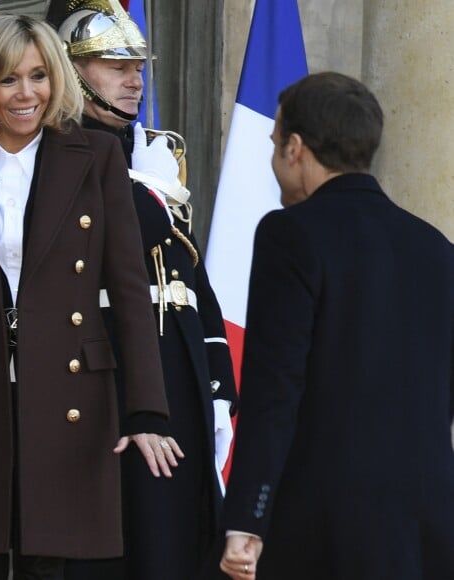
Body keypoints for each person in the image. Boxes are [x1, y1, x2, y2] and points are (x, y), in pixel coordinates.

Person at [0, 14, 180, 580]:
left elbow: (127, 290)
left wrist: (147, 410)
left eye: (40, 76)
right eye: (8, 79)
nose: (28, 94)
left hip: (71, 385)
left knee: (53, 558)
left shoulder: (96, 155)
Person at [220, 71, 454, 580]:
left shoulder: (290, 234)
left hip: (324, 529)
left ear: (295, 148)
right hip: (430, 526)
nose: (272, 159)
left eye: (275, 142)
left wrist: (246, 518)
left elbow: (274, 389)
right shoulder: (437, 247)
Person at [46, 1, 238, 579]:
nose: (136, 80)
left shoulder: (153, 151)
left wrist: (219, 380)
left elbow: (189, 271)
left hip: (176, 366)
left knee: (179, 532)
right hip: (108, 368)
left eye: (139, 66)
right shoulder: (57, 153)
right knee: (124, 533)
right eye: (115, 65)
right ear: (70, 71)